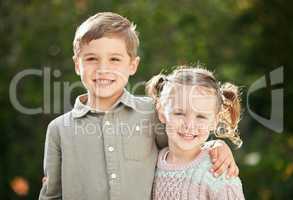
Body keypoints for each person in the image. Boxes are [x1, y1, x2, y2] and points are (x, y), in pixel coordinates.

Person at [39, 12, 239, 200]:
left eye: (115, 59)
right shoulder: (58, 130)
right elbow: (52, 195)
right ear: (77, 64)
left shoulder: (152, 113)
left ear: (132, 65)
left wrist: (216, 145)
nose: (103, 69)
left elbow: (184, 145)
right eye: (92, 59)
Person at [147, 66, 245, 199]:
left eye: (201, 116)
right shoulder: (153, 161)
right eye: (179, 113)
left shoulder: (218, 172)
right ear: (162, 112)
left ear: (214, 121)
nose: (189, 125)